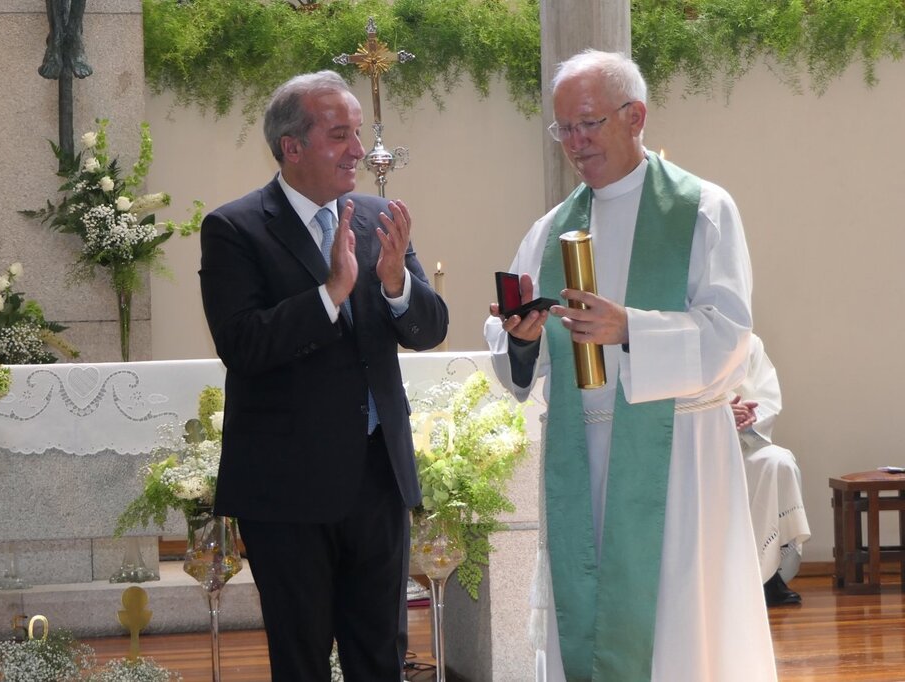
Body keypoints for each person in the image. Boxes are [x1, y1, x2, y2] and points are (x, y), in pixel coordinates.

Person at [483, 50, 776, 681]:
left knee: (680, 627)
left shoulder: (702, 210)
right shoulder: (551, 229)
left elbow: (730, 335)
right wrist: (523, 336)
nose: (575, 143)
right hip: (581, 455)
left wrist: (631, 329)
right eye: (564, 128)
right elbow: (513, 346)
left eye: (588, 124)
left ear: (635, 116)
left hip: (678, 458)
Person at [199, 70, 448, 681]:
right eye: (340, 135)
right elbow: (243, 344)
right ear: (292, 146)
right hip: (287, 487)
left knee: (381, 657)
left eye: (357, 133)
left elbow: (429, 329)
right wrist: (330, 293)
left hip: (377, 478)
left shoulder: (377, 217)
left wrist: (396, 283)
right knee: (301, 660)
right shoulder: (235, 229)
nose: (359, 150)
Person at [730, 333, 811, 607]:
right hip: (694, 452)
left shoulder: (748, 342)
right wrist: (719, 415)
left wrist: (748, 417)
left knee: (779, 462)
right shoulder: (679, 336)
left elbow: (767, 398)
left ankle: (769, 574)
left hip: (742, 445)